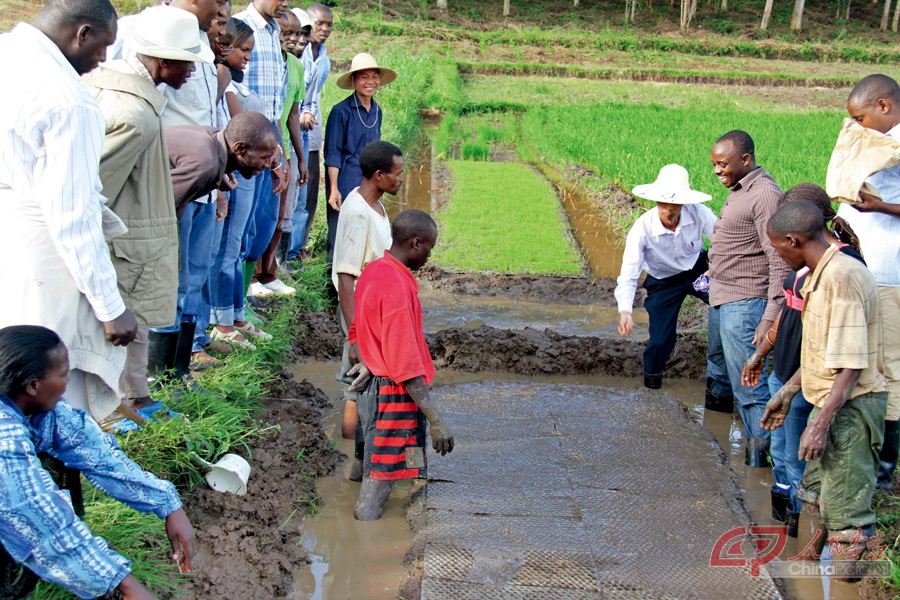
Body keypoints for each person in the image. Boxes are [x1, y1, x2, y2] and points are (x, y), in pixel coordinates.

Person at [0, 0, 140, 423]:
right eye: (101, 48)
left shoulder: (8, 56)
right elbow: (73, 216)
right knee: (52, 383)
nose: (101, 61)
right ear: (81, 34)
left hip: (11, 236)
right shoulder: (69, 101)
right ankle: (54, 476)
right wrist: (109, 306)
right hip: (46, 255)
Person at [0, 324, 196, 599]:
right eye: (63, 374)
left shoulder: (33, 405)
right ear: (32, 385)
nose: (68, 381)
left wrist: (169, 504)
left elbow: (95, 450)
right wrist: (126, 586)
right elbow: (38, 517)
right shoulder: (4, 436)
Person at [83, 6, 214, 410]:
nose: (192, 72)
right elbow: (90, 195)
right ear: (162, 61)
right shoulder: (132, 114)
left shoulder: (141, 103)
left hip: (133, 245)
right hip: (124, 246)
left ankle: (136, 398)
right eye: (187, 63)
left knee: (136, 325)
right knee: (120, 328)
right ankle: (118, 407)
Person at [763, 200, 885, 568]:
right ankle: (808, 577)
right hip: (829, 403)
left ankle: (850, 577)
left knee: (848, 517)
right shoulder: (818, 275)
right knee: (813, 493)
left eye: (777, 247)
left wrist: (817, 425)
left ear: (793, 240)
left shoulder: (842, 277)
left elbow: (849, 363)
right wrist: (787, 392)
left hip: (851, 408)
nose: (777, 254)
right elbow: (820, 352)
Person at [743, 183, 863, 538]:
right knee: (781, 455)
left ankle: (801, 544)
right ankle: (783, 532)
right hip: (785, 370)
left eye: (781, 242)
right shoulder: (805, 262)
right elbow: (788, 308)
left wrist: (796, 387)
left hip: (810, 380)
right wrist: (762, 351)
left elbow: (844, 349)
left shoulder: (841, 269)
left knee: (799, 464)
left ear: (800, 232)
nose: (778, 252)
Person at [347, 209, 455, 521]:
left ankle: (352, 499)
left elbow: (358, 328)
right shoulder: (396, 287)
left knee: (365, 457)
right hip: (393, 397)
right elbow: (407, 367)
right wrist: (436, 421)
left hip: (371, 388)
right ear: (415, 243)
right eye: (429, 250)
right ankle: (365, 537)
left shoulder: (374, 270)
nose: (429, 258)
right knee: (380, 474)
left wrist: (369, 357)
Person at [166, 111, 282, 367]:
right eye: (263, 158)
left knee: (194, 276)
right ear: (240, 149)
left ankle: (190, 346)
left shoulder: (215, 149)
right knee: (178, 282)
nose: (266, 166)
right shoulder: (206, 163)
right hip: (163, 210)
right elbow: (163, 209)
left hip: (191, 199)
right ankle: (171, 365)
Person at [705, 129, 788, 467]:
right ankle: (712, 435)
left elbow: (779, 258)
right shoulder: (741, 189)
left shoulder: (765, 194)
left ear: (745, 159)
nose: (717, 171)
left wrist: (770, 317)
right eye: (714, 164)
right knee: (719, 368)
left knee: (749, 384)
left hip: (747, 301)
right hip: (722, 297)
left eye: (722, 164)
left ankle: (760, 463)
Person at [836, 74, 900, 491]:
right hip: (869, 269)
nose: (857, 127)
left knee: (889, 365)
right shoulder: (878, 140)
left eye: (861, 117)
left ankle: (882, 470)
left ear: (883, 105)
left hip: (890, 275)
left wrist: (880, 206)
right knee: (867, 362)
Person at [333, 141, 404, 481]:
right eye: (397, 173)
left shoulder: (370, 203)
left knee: (359, 384)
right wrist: (356, 334)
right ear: (379, 175)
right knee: (356, 385)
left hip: (370, 312)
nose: (400, 179)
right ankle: (353, 457)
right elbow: (347, 279)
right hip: (361, 314)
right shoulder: (361, 214)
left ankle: (357, 456)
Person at [614, 164, 715, 390]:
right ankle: (651, 383)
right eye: (663, 202)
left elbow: (723, 240)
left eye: (675, 203)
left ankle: (725, 359)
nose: (669, 209)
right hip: (664, 282)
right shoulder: (642, 229)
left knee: (726, 303)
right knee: (660, 341)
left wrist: (712, 271)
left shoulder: (698, 213)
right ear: (656, 200)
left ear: (684, 201)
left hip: (698, 269)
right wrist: (625, 311)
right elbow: (629, 274)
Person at [209, 21, 278, 350]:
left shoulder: (233, 81)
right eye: (243, 49)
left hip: (240, 170)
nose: (247, 56)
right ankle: (221, 322)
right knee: (226, 250)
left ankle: (236, 315)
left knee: (236, 246)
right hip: (230, 171)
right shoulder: (224, 81)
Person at [233, 0, 291, 301]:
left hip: (269, 144)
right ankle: (233, 304)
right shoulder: (238, 27)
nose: (285, 3)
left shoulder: (273, 31)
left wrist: (278, 153)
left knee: (263, 221)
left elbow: (275, 103)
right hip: (244, 149)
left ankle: (242, 298)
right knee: (240, 227)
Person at [324, 53, 397, 262]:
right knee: (340, 232)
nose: (370, 82)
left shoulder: (376, 111)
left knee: (367, 231)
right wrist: (334, 189)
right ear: (354, 80)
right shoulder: (340, 111)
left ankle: (362, 282)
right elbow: (333, 154)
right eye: (364, 77)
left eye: (374, 77)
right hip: (346, 178)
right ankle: (335, 285)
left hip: (370, 182)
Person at [288, 3, 333, 263]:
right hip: (294, 125)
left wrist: (309, 114)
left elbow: (314, 97)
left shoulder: (323, 59)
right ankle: (289, 252)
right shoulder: (296, 54)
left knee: (308, 189)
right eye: (320, 24)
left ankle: (299, 245)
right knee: (293, 190)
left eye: (329, 25)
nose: (324, 29)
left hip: (311, 131)